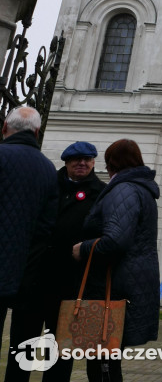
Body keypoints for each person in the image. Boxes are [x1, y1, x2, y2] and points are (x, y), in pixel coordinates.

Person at [5, 141, 106, 381]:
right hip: (33, 280)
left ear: (93, 162)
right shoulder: (48, 185)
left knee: (61, 354)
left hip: (70, 285)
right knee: (21, 347)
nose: (81, 163)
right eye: (75, 159)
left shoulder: (100, 193)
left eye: (87, 159)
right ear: (66, 162)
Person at [72, 139, 160, 382]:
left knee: (103, 362)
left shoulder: (123, 189)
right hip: (127, 282)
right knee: (108, 357)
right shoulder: (140, 188)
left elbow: (115, 240)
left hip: (113, 285)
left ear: (111, 163)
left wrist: (83, 248)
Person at [0, 106, 58, 357]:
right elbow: (46, 229)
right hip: (13, 276)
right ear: (37, 132)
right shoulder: (48, 169)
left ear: (4, 128)